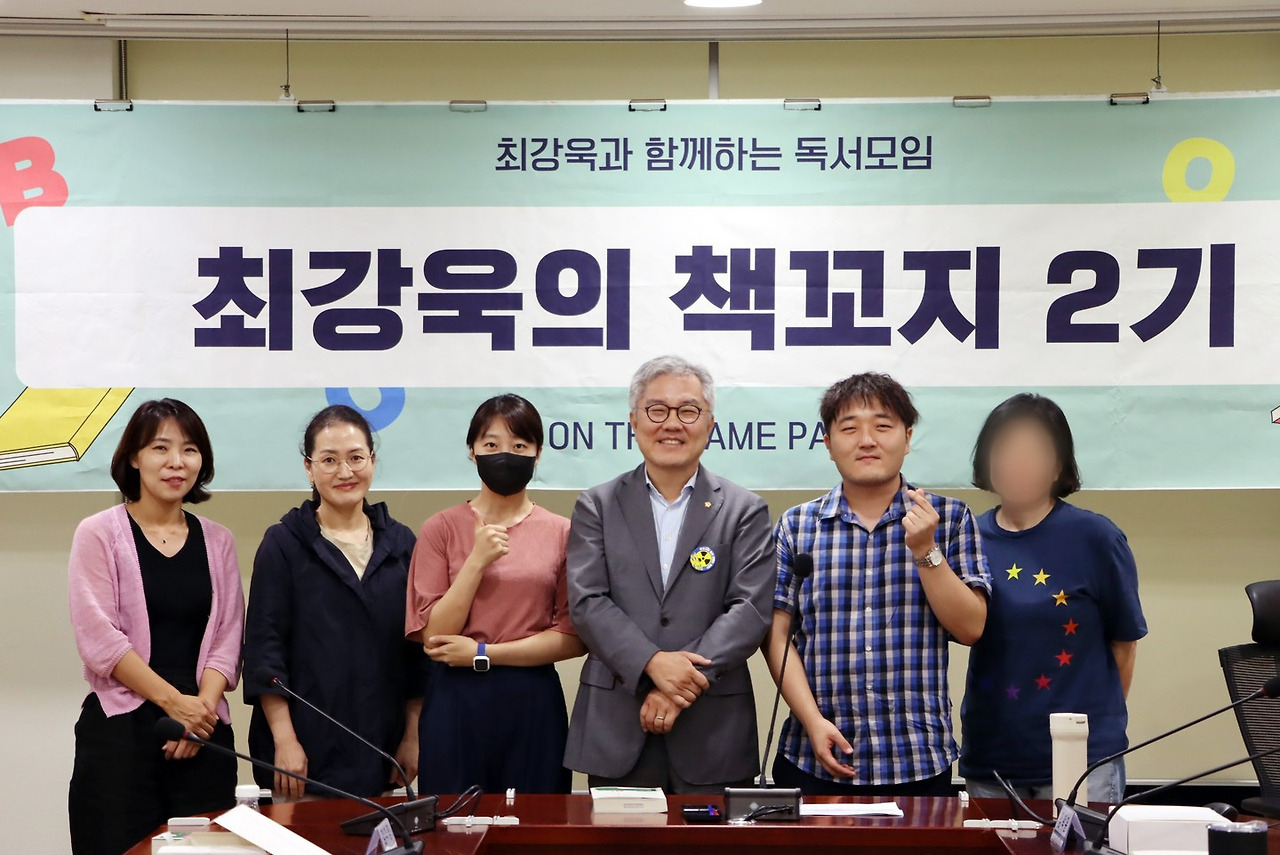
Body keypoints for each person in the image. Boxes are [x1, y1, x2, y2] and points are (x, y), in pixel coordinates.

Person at [766, 372, 992, 796]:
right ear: (828, 443)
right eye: (850, 428)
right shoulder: (797, 526)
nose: (867, 441)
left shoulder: (949, 518)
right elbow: (776, 638)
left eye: (883, 426)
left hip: (917, 759)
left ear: (907, 438)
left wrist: (925, 549)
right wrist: (813, 721)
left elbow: (970, 628)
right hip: (812, 757)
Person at [564, 355, 775, 793]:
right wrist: (652, 664)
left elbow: (750, 610)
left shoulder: (744, 510)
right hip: (617, 722)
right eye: (657, 410)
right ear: (633, 422)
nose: (672, 424)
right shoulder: (597, 506)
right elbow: (587, 603)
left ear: (710, 425)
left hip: (713, 727)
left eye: (688, 411)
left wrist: (679, 685)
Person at [67, 399, 244, 855]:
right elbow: (99, 640)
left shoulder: (219, 540)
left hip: (204, 733)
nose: (176, 462)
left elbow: (228, 638)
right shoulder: (98, 533)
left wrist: (199, 716)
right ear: (133, 457)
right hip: (121, 733)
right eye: (160, 448)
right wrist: (174, 705)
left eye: (189, 449)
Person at [961, 393, 1146, 804]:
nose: (1018, 463)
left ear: (1058, 465)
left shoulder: (1096, 537)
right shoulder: (969, 537)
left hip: (1081, 761)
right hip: (991, 759)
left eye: (1034, 452)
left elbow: (1125, 644)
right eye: (1005, 450)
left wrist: (1094, 732)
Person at [242, 405, 422, 799]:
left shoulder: (402, 544)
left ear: (372, 460)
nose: (345, 472)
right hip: (304, 759)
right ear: (309, 468)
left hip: (384, 755)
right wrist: (285, 741)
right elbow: (265, 651)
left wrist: (413, 736)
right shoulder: (283, 544)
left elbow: (416, 654)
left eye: (356, 458)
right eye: (329, 460)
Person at [407, 394, 584, 793]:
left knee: (537, 818)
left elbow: (572, 637)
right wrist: (476, 561)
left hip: (532, 699)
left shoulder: (562, 532)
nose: (505, 455)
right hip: (454, 699)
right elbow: (434, 636)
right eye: (491, 444)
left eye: (519, 445)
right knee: (452, 819)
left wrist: (484, 653)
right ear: (472, 451)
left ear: (538, 454)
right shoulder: (441, 528)